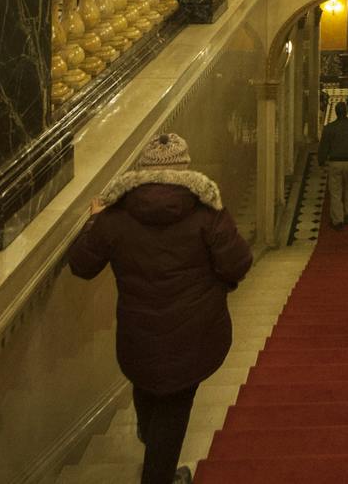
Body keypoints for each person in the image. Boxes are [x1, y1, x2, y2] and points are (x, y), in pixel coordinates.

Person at [66, 133, 252, 484]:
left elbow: (81, 264)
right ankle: (159, 472)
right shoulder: (207, 213)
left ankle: (154, 443)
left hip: (138, 333)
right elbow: (239, 263)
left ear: (143, 170)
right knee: (175, 405)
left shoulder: (115, 216)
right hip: (195, 334)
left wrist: (94, 220)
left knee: (149, 381)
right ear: (184, 167)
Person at [319, 101, 348, 228]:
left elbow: (324, 146)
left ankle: (338, 220)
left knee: (335, 192)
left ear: (336, 112)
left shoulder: (329, 128)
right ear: (347, 112)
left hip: (335, 162)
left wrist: (321, 160)